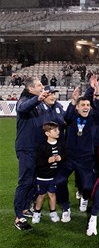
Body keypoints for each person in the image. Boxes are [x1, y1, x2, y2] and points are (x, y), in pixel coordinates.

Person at [54, 86, 99, 222]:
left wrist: (96, 93)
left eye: (88, 105)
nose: (86, 107)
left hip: (86, 159)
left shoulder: (94, 118)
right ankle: (65, 208)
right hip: (69, 158)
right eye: (83, 105)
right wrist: (74, 100)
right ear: (77, 108)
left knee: (87, 186)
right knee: (60, 180)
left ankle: (84, 198)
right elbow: (67, 116)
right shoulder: (71, 118)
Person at [14, 77, 47, 231]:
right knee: (25, 181)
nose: (42, 86)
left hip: (36, 149)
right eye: (39, 85)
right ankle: (18, 216)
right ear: (31, 88)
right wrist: (37, 99)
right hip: (26, 148)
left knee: (34, 181)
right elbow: (22, 108)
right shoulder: (24, 100)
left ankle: (26, 208)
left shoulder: (39, 103)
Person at [32, 122, 64, 224]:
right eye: (55, 130)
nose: (58, 132)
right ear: (47, 133)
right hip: (42, 177)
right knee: (41, 195)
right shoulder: (42, 147)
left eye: (58, 130)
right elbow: (38, 162)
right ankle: (37, 212)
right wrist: (47, 161)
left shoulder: (60, 144)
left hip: (54, 176)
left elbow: (65, 155)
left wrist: (61, 157)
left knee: (52, 194)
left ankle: (53, 212)